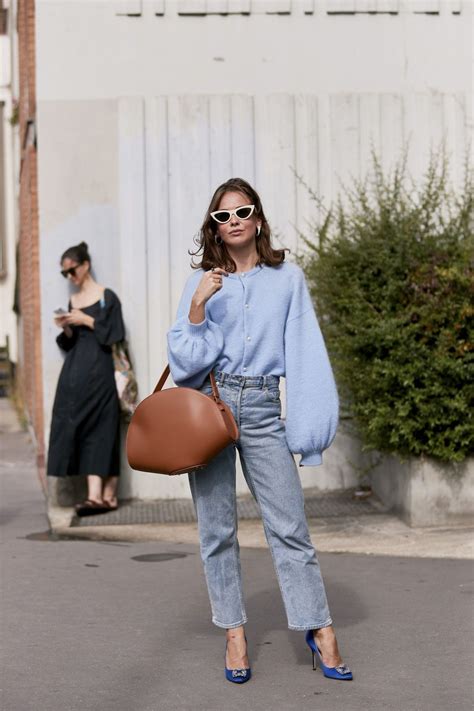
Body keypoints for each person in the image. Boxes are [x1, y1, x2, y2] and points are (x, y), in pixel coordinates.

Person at [167, 178, 352, 684]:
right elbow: (183, 364)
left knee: (290, 527)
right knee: (217, 529)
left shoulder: (288, 279)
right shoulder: (201, 281)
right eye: (223, 216)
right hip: (212, 406)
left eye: (242, 211)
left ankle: (319, 626)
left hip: (265, 407)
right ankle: (234, 633)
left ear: (259, 218)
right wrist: (198, 307)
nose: (234, 221)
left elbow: (306, 356)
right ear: (214, 226)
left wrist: (309, 434)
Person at [47, 241, 125, 516]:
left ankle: (105, 496)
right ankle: (96, 497)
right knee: (77, 428)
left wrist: (86, 320)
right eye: (64, 274)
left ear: (85, 265)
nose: (70, 277)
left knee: (103, 429)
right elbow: (70, 344)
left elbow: (114, 334)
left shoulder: (106, 297)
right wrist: (68, 327)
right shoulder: (73, 301)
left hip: (101, 372)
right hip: (75, 376)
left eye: (72, 270)